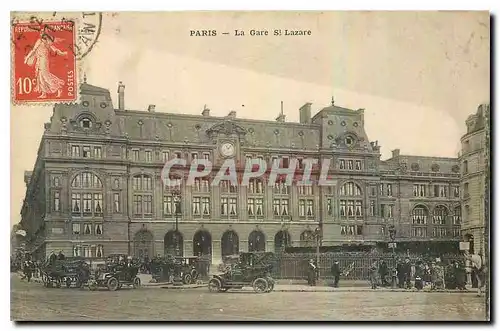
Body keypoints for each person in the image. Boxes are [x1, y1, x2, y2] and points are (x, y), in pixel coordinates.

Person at [23, 28, 68, 99]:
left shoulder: (45, 42)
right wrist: (27, 58)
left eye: (42, 33)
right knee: (40, 76)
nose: (41, 34)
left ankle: (58, 88)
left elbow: (34, 50)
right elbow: (34, 50)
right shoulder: (43, 41)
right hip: (40, 60)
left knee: (45, 75)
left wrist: (63, 53)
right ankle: (44, 93)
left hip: (43, 61)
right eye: (41, 33)